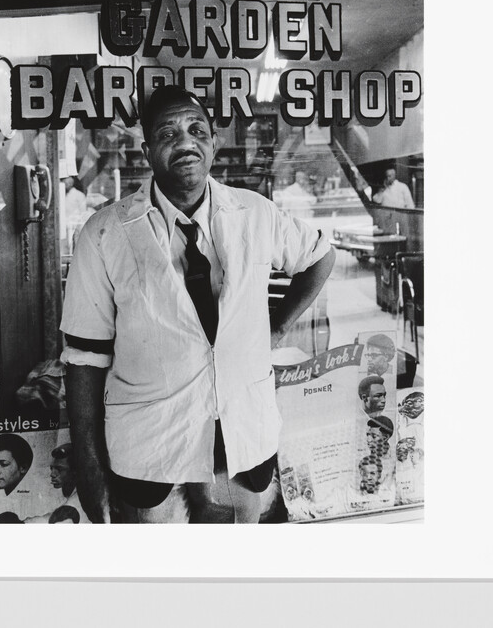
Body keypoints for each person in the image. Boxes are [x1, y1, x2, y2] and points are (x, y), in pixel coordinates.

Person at [60, 85, 336, 524]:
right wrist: (88, 462)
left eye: (196, 130)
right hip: (152, 439)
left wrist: (277, 327)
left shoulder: (255, 213)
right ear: (148, 149)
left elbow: (320, 257)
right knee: (161, 576)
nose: (185, 142)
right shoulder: (104, 233)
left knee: (237, 565)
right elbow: (83, 356)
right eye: (168, 133)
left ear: (212, 142)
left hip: (242, 431)